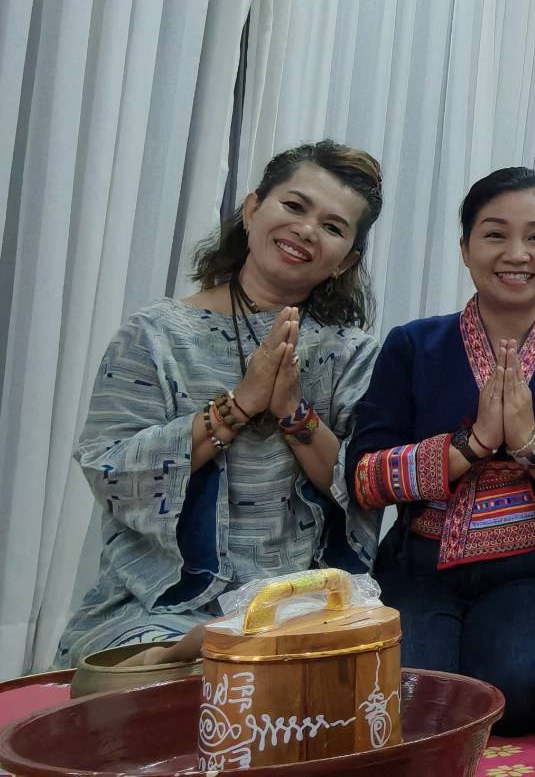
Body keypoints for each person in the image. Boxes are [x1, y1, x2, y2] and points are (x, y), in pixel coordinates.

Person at [57, 141, 386, 664]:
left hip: (296, 596)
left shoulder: (353, 355)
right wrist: (238, 404)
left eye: (332, 226)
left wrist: (293, 413)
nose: (305, 230)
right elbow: (112, 471)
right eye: (294, 206)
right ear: (252, 210)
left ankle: (228, 645)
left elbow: (368, 487)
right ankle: (185, 651)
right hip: (157, 601)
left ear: (344, 260)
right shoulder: (158, 333)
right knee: (143, 683)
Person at [348, 167, 535, 736]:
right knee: (408, 695)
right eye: (495, 234)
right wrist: (468, 448)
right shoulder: (413, 345)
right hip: (419, 568)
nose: (516, 253)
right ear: (465, 249)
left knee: (523, 687)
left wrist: (531, 445)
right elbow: (364, 478)